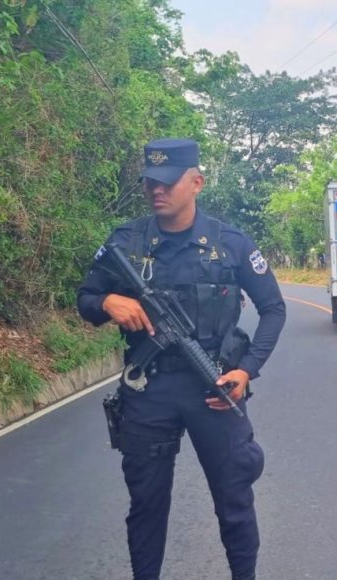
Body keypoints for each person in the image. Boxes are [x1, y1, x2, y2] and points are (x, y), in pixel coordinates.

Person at [77, 138, 286, 580]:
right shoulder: (126, 242)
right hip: (148, 390)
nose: (158, 190)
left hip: (214, 387)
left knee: (234, 501)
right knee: (147, 505)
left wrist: (246, 370)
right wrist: (110, 301)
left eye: (168, 182)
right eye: (151, 182)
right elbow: (86, 299)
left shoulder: (230, 243)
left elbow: (274, 309)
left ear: (196, 182)